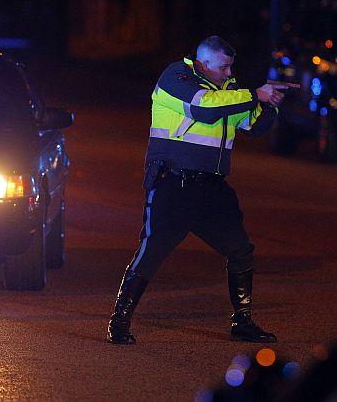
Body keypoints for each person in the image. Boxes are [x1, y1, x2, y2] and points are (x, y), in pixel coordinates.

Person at [107, 35, 285, 344]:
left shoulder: (227, 91)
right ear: (203, 64)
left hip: (211, 188)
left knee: (241, 250)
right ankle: (119, 321)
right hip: (173, 185)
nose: (230, 74)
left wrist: (269, 104)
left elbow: (253, 126)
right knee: (151, 253)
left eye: (232, 67)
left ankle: (242, 322)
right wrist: (255, 93)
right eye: (224, 67)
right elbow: (204, 108)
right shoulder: (176, 78)